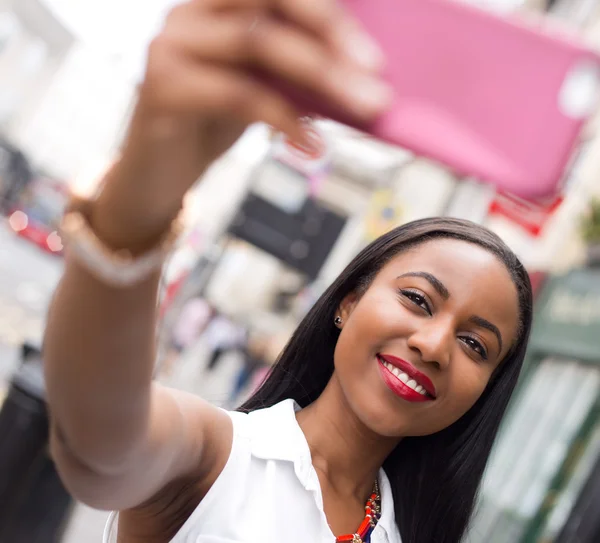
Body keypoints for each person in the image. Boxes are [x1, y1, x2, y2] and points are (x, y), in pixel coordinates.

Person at [42, 2, 534, 543]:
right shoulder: (218, 459)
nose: (435, 344)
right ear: (347, 302)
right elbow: (101, 445)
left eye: (475, 344)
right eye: (418, 299)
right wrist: (136, 207)